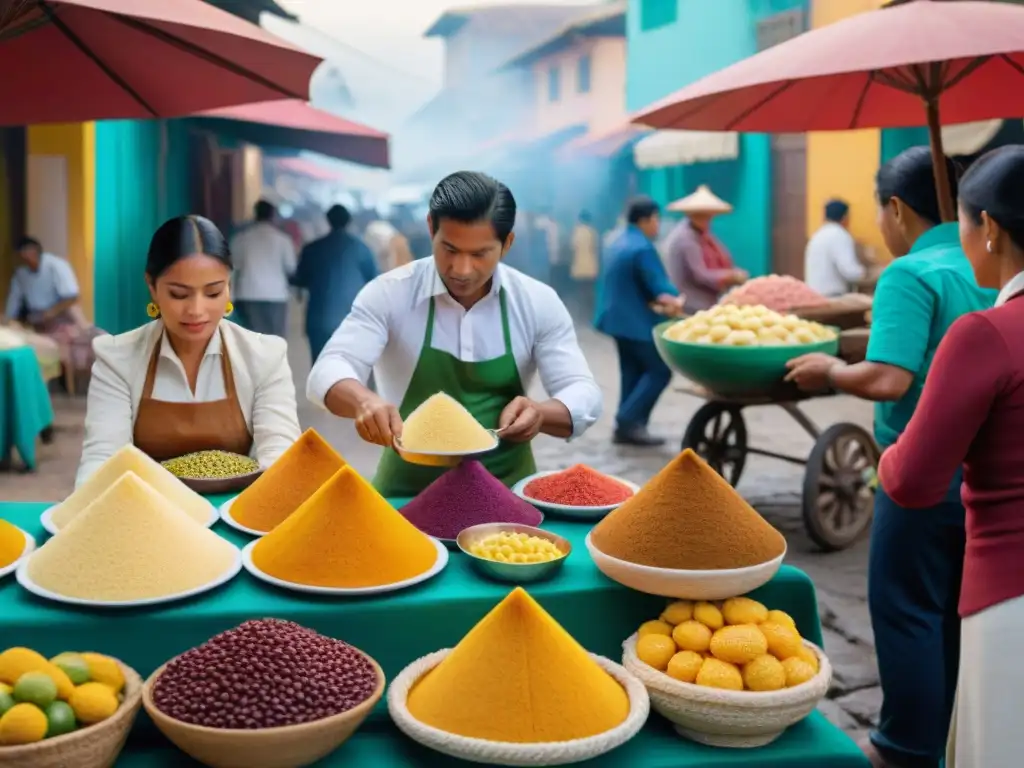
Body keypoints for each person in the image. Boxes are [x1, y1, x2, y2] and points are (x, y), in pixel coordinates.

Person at [785, 146, 997, 768]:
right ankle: (956, 733)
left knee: (908, 611)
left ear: (897, 209)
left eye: (881, 211)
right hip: (985, 471)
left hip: (922, 468)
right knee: (960, 611)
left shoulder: (909, 273)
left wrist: (830, 369)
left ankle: (905, 746)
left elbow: (888, 379)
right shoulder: (990, 264)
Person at [307, 171, 602, 497]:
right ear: (431, 227)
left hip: (506, 504)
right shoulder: (389, 293)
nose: (461, 270)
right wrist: (363, 400)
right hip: (405, 495)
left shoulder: (536, 301)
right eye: (449, 249)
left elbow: (582, 390)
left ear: (507, 244)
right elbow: (330, 366)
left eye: (480, 254)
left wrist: (541, 413)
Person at [874, 146, 1024, 768]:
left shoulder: (988, 333)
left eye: (962, 222)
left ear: (988, 228)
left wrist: (880, 462)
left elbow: (911, 479)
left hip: (1009, 592)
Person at [76, 215, 301, 486]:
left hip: (235, 512)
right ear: (152, 287)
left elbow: (280, 452)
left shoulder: (265, 355)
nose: (196, 310)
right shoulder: (117, 357)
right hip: (147, 512)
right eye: (179, 295)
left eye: (213, 293)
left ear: (229, 286)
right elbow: (103, 459)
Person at [595, 197, 685, 447]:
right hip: (635, 321)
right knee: (659, 371)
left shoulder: (615, 240)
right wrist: (674, 300)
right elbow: (657, 284)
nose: (657, 225)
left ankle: (627, 428)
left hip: (615, 318)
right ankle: (628, 419)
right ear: (645, 220)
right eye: (656, 220)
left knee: (632, 371)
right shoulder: (642, 247)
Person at [2, 236, 102, 389]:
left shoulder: (55, 265)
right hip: (38, 320)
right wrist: (8, 321)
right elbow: (13, 305)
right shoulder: (21, 274)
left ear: (33, 252)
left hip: (63, 315)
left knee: (90, 337)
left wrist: (50, 312)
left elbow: (72, 297)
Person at [292, 204, 379, 362]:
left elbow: (300, 279)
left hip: (319, 320)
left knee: (321, 364)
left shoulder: (312, 249)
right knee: (350, 366)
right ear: (349, 221)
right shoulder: (362, 248)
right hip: (352, 319)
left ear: (327, 220)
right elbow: (373, 282)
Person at [663, 185, 747, 310]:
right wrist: (730, 276)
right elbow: (701, 275)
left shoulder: (701, 234)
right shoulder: (686, 238)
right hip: (693, 304)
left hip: (705, 301)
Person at [229, 199, 297, 337]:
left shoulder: (240, 239)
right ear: (273, 216)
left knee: (252, 339)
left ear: (255, 214)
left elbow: (232, 267)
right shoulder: (283, 240)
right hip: (276, 295)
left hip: (247, 293)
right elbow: (291, 267)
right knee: (275, 340)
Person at [804, 199, 868, 297]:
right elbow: (851, 272)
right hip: (833, 298)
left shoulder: (817, 235)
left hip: (814, 297)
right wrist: (867, 272)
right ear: (845, 218)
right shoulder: (840, 234)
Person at [570, 210, 600, 320]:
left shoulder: (576, 231)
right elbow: (596, 249)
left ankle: (581, 315)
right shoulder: (593, 232)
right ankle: (589, 316)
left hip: (578, 268)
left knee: (580, 292)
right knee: (590, 292)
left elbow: (573, 248)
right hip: (591, 268)